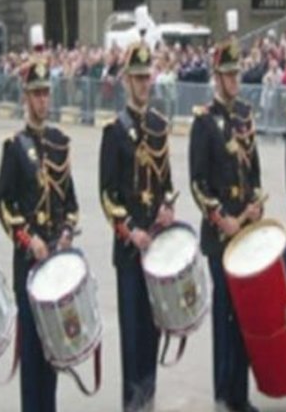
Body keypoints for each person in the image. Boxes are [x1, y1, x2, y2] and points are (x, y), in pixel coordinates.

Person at [0, 29, 79, 412]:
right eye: (36, 94)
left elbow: (72, 204)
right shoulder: (14, 147)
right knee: (31, 351)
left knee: (54, 350)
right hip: (30, 260)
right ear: (25, 97)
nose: (43, 100)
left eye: (46, 93)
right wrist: (28, 239)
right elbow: (4, 206)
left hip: (57, 259)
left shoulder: (61, 142)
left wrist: (64, 234)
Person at [189, 14, 263, 412]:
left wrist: (254, 207)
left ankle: (241, 392)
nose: (235, 80)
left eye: (237, 73)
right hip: (222, 234)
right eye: (228, 74)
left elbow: (254, 175)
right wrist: (224, 218)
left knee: (246, 313)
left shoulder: (244, 117)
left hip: (246, 228)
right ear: (216, 77)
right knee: (226, 316)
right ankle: (223, 392)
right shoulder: (205, 122)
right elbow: (198, 183)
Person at [99, 37, 175, 412]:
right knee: (132, 332)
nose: (145, 83)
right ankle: (132, 402)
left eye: (148, 77)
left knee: (153, 327)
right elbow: (107, 195)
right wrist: (131, 229)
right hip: (131, 248)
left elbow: (168, 184)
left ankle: (151, 398)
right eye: (138, 77)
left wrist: (167, 209)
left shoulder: (160, 126)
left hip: (157, 244)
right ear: (127, 81)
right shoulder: (114, 132)